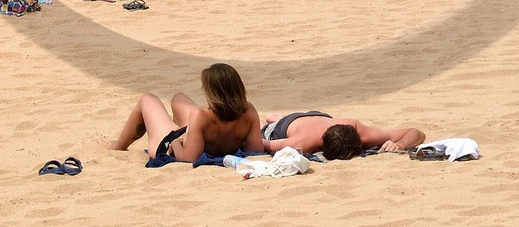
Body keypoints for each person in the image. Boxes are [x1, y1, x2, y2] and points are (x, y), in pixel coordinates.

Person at [107, 63, 266, 163]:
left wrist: (176, 143)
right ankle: (192, 135)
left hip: (170, 145)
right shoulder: (249, 111)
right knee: (179, 98)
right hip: (203, 139)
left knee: (147, 99)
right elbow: (254, 150)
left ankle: (118, 145)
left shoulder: (202, 114)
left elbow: (189, 159)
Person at [260, 112, 426, 158]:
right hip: (286, 127)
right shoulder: (304, 142)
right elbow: (263, 144)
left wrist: (400, 145)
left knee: (278, 118)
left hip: (318, 117)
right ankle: (273, 120)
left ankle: (276, 117)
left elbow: (416, 133)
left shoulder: (361, 132)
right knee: (266, 126)